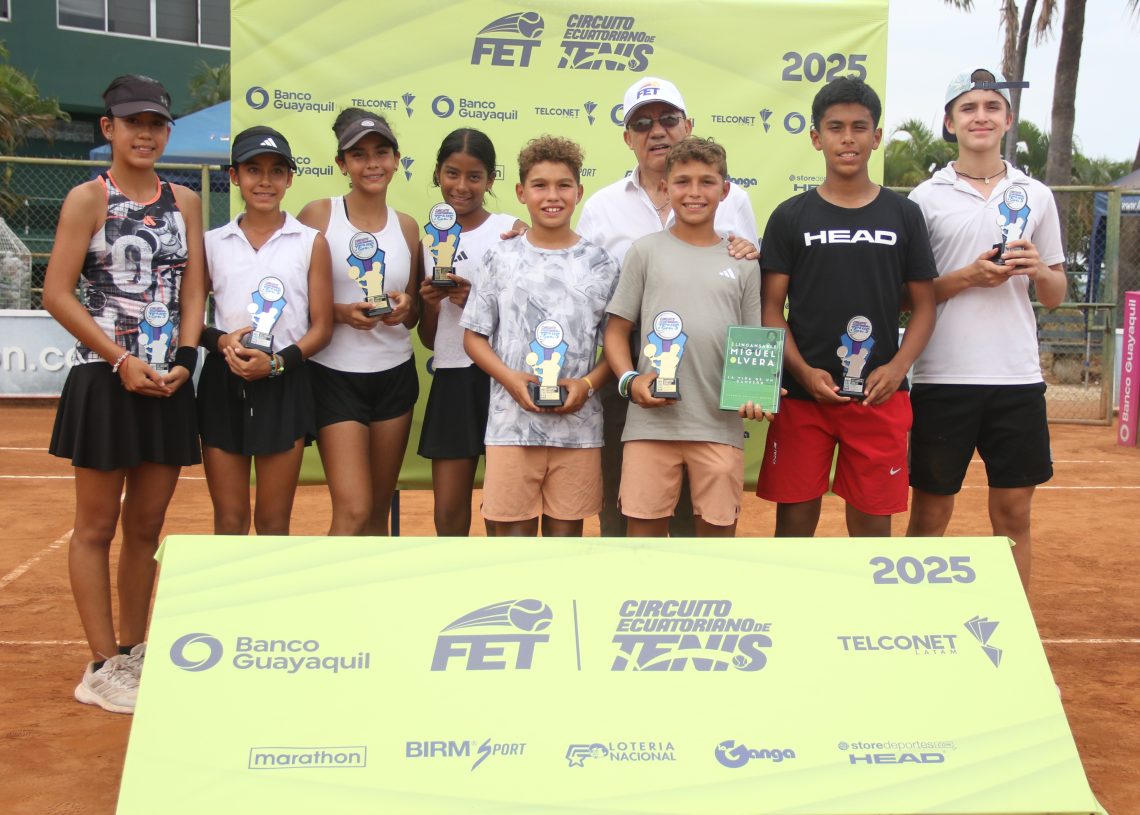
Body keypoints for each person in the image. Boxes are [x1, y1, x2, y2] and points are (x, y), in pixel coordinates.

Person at [42, 74, 205, 713]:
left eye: (157, 124)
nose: (146, 134)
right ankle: (102, 662)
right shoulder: (87, 198)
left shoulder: (186, 200)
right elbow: (57, 293)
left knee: (146, 526)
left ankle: (135, 652)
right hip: (105, 377)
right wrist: (119, 359)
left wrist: (185, 360)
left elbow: (193, 290)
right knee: (96, 526)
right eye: (134, 122)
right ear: (108, 127)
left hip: (168, 381)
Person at [576, 76, 760, 537]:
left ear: (687, 124)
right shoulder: (601, 207)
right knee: (627, 515)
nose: (656, 130)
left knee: (703, 526)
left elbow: (748, 308)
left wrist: (753, 387)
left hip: (711, 394)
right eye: (642, 123)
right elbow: (588, 290)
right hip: (629, 376)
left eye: (667, 118)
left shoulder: (737, 201)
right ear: (628, 137)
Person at [906, 67, 1067, 590]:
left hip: (1017, 379)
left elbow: (1055, 294)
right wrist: (968, 277)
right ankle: (911, 623)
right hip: (942, 377)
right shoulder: (925, 198)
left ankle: (1016, 626)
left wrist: (1038, 269)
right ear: (950, 123)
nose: (981, 116)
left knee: (1015, 515)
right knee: (930, 515)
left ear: (1008, 120)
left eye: (992, 107)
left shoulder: (1035, 194)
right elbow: (908, 297)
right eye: (968, 108)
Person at [755, 76, 937, 537]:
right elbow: (770, 309)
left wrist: (897, 368)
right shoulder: (790, 216)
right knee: (794, 527)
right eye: (835, 127)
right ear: (817, 137)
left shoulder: (903, 214)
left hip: (879, 395)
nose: (848, 138)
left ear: (877, 137)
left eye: (860, 127)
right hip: (804, 398)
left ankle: (867, 595)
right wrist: (802, 372)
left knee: (873, 528)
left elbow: (925, 306)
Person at [461, 136, 619, 537]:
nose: (552, 196)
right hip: (511, 427)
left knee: (564, 543)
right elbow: (474, 338)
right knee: (512, 541)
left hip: (578, 430)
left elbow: (615, 348)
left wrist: (587, 385)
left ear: (579, 192)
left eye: (563, 185)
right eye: (539, 185)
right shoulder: (500, 257)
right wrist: (511, 379)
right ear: (521, 192)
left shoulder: (601, 264)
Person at [198, 126, 333, 535]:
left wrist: (275, 364)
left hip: (284, 380)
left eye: (276, 171)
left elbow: (322, 327)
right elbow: (190, 319)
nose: (265, 181)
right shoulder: (211, 243)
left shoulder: (310, 242)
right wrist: (220, 341)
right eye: (253, 169)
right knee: (230, 520)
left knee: (274, 522)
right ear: (234, 176)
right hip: (224, 379)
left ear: (289, 178)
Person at [297, 110, 422, 535]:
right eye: (359, 155)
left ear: (397, 160)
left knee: (377, 512)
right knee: (352, 511)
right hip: (333, 377)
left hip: (394, 376)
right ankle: (329, 584)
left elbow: (413, 316)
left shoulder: (408, 227)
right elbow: (291, 301)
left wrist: (406, 306)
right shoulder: (318, 215)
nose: (372, 163)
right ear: (342, 164)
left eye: (381, 153)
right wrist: (338, 313)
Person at [417, 129, 526, 536]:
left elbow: (529, 318)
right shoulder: (428, 240)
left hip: (502, 378)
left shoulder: (512, 231)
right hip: (452, 376)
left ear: (491, 179)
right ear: (437, 174)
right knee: (448, 510)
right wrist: (431, 305)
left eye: (474, 176)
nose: (461, 186)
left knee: (503, 509)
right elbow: (428, 338)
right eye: (452, 173)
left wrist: (476, 303)